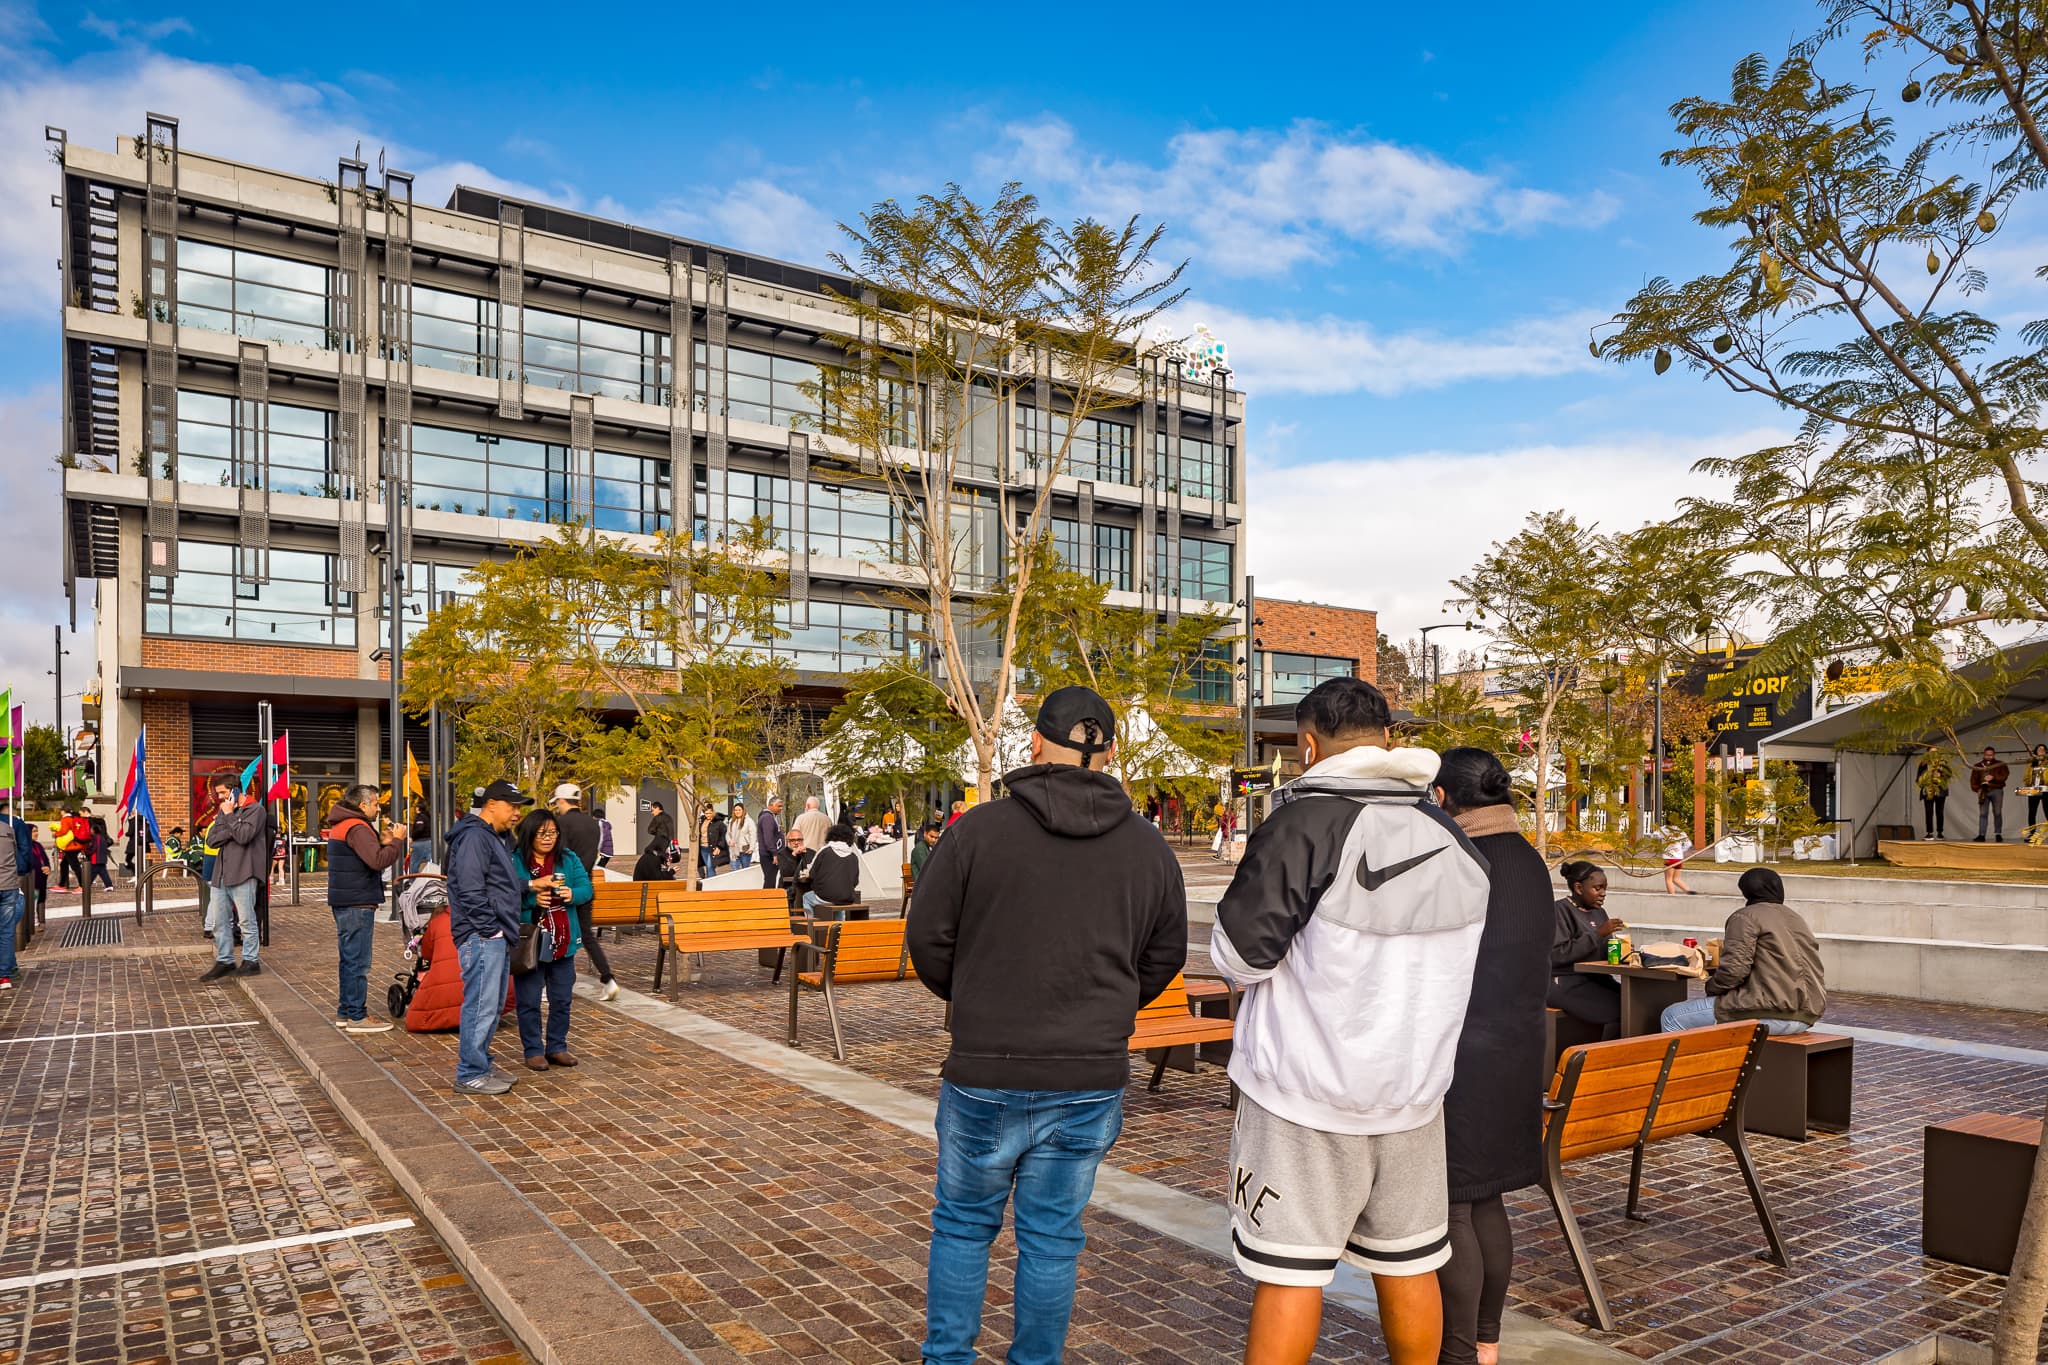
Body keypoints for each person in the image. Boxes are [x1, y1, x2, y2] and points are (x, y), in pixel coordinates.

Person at [1210, 677, 1490, 1365]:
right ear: (1389, 738)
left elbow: (1236, 959)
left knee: (1290, 1271)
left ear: (1308, 744)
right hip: (1415, 1097)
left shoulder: (1303, 823)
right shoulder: (1448, 832)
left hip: (1303, 1096)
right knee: (1409, 1263)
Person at [907, 685, 1186, 1365]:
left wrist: (974, 994)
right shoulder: (1147, 847)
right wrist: (1105, 1009)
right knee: (1053, 1236)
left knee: (965, 1226)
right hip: (1088, 1070)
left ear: (1033, 743)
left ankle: (947, 1358)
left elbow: (927, 938)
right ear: (1111, 752)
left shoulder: (978, 829)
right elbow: (1162, 956)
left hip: (987, 1066)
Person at [1430, 749, 1551, 1365]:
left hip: (1464, 1054)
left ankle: (1455, 1355)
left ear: (1445, 798)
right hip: (1518, 1050)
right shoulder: (1530, 860)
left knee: (1453, 1202)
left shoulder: (1463, 860)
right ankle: (1485, 1345)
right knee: (1488, 1199)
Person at [1662, 867, 1826, 1036]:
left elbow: (1733, 971)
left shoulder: (1745, 917)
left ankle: (1692, 1063)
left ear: (1747, 891)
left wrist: (1711, 988)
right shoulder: (1795, 918)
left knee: (1672, 1017)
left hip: (1769, 1012)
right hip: (1807, 1013)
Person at [446, 781, 533, 1095]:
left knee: (490, 1005)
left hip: (492, 933)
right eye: (512, 806)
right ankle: (470, 1072)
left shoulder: (492, 837)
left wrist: (530, 886)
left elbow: (498, 883)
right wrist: (489, 928)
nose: (517, 813)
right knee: (482, 1005)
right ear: (492, 804)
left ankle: (480, 1065)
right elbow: (470, 889)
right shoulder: (474, 837)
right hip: (483, 935)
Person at [324, 783, 408, 1033]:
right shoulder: (357, 827)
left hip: (346, 899)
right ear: (362, 805)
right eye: (376, 803)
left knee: (348, 959)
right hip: (356, 902)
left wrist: (382, 842)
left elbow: (367, 856)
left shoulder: (343, 824)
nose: (378, 808)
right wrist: (396, 843)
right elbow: (377, 861)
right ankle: (357, 1016)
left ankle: (345, 1010)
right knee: (358, 961)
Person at [513, 810, 590, 1070]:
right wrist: (532, 899)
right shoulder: (516, 861)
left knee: (562, 998)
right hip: (530, 943)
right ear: (529, 834)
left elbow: (586, 889)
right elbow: (507, 893)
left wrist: (573, 893)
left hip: (563, 941)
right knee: (529, 999)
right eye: (542, 833)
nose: (548, 838)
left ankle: (557, 1046)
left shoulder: (567, 858)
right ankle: (533, 1049)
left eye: (553, 833)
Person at [549, 784, 620, 1002]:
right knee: (586, 935)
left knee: (555, 933)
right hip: (585, 884)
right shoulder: (593, 824)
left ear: (561, 801)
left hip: (563, 886)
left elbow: (559, 855)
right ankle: (608, 979)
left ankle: (554, 984)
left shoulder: (561, 824)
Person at [199, 778, 269, 981]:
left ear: (235, 790)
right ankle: (225, 960)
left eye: (222, 793)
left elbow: (244, 835)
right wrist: (232, 824)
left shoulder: (256, 810)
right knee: (219, 922)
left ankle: (251, 960)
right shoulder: (224, 810)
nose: (219, 798)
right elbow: (212, 839)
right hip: (221, 874)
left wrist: (230, 818)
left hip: (244, 872)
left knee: (247, 920)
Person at [1549, 861, 1622, 1039]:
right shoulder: (1559, 911)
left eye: (1605, 888)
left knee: (1635, 1004)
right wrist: (1598, 934)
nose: (1603, 894)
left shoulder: (1599, 913)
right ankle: (1600, 1061)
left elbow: (1601, 950)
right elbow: (1557, 954)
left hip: (1597, 978)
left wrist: (1621, 951)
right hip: (1564, 982)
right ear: (1579, 888)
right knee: (1616, 1010)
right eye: (1598, 888)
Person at [0, 794, 32, 992]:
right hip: (9, 884)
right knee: (6, 932)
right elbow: (21, 854)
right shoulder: (9, 829)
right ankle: (4, 976)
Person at [802, 823, 862, 919]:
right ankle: (839, 928)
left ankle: (810, 926)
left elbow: (811, 874)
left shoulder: (825, 851)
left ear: (831, 835)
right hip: (847, 897)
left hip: (824, 896)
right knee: (839, 902)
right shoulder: (853, 856)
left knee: (806, 897)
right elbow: (855, 881)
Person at [1971, 746, 2010, 842]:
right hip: (1983, 791)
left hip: (1996, 790)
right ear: (1984, 754)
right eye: (1987, 755)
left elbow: (2004, 776)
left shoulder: (2000, 764)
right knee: (1983, 813)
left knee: (1997, 812)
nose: (1989, 756)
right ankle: (1981, 835)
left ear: (1994, 755)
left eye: (1991, 755)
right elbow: (1973, 780)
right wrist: (1977, 789)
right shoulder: (1978, 765)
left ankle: (1998, 834)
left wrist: (1993, 777)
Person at [777, 826, 815, 913]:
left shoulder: (810, 853)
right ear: (788, 842)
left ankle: (808, 921)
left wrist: (806, 855)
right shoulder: (782, 854)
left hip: (808, 887)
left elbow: (814, 868)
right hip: (788, 886)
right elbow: (786, 872)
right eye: (793, 840)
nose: (796, 843)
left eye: (799, 840)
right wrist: (794, 855)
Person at [1917, 751, 1952, 840]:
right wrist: (1926, 777)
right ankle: (1929, 833)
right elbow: (1918, 778)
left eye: (1936, 752)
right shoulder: (1923, 764)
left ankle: (1940, 832)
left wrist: (1941, 775)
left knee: (1939, 812)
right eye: (1931, 752)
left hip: (1940, 791)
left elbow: (1949, 775)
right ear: (1927, 753)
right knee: (1929, 812)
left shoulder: (1943, 763)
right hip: (1928, 790)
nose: (1934, 754)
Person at [1658, 825, 1695, 894]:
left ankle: (1672, 897)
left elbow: (1654, 835)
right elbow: (1688, 844)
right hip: (1678, 858)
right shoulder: (1680, 831)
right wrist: (1681, 851)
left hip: (1669, 858)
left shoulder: (1663, 829)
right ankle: (1688, 890)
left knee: (1668, 879)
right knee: (1676, 879)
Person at [55, 808, 85, 889]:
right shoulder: (74, 818)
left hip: (71, 846)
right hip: (77, 844)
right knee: (64, 864)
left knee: (75, 866)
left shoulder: (66, 819)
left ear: (63, 811)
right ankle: (62, 884)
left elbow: (64, 830)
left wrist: (56, 834)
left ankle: (82, 885)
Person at [758, 796, 785, 888]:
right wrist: (774, 853)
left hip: (770, 854)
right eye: (779, 806)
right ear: (771, 805)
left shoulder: (770, 817)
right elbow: (768, 838)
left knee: (771, 879)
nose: (781, 808)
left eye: (782, 806)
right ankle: (767, 900)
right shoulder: (767, 818)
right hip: (769, 855)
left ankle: (768, 899)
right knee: (770, 880)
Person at [2023, 744, 2048, 835]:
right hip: (2033, 790)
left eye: (2043, 749)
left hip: (2046, 790)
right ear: (2036, 751)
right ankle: (2032, 833)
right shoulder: (2031, 764)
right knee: (2032, 813)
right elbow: (2026, 777)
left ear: (2046, 752)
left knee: (2047, 811)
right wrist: (2028, 784)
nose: (2041, 750)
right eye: (2039, 749)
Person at [86, 814, 115, 890]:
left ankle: (85, 886)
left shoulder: (97, 838)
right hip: (101, 858)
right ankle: (109, 885)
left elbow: (95, 847)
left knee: (92, 873)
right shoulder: (102, 837)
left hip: (96, 858)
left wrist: (88, 852)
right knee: (103, 873)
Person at [703, 804, 728, 881]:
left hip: (712, 847)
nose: (708, 815)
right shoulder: (702, 821)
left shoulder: (718, 823)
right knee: (707, 866)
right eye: (706, 813)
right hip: (703, 847)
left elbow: (723, 835)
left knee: (710, 866)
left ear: (713, 812)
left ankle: (712, 883)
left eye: (710, 813)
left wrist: (719, 846)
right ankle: (709, 881)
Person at [728, 801, 756, 870]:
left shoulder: (749, 821)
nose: (737, 812)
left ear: (743, 810)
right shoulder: (731, 821)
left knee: (745, 871)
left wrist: (751, 848)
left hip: (745, 850)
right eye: (735, 810)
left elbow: (753, 835)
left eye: (739, 810)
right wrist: (729, 841)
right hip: (734, 850)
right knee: (734, 870)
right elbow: (728, 834)